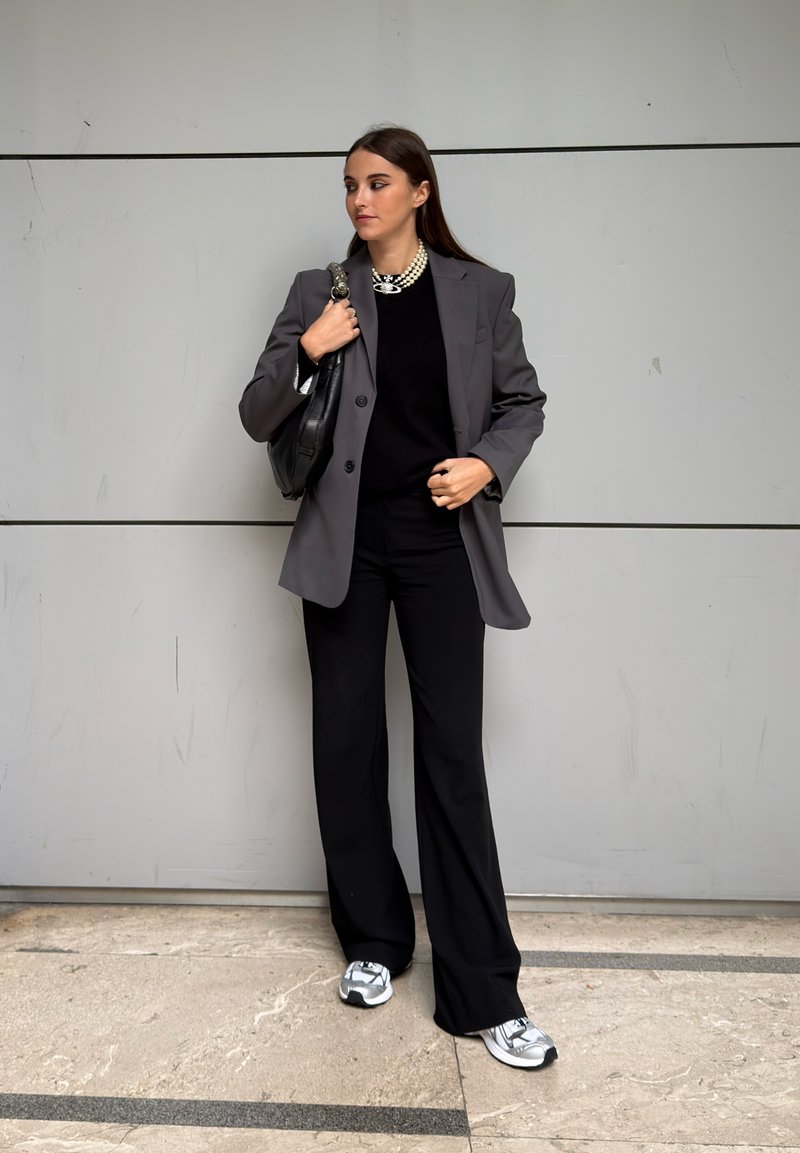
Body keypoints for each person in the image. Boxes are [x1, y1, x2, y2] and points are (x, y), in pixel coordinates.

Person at [239, 126, 556, 1070]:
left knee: (452, 756)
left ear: (421, 190)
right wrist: (308, 346)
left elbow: (524, 401)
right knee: (344, 745)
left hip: (439, 544)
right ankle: (374, 942)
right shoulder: (318, 291)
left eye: (378, 183)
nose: (358, 200)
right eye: (348, 187)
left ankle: (484, 992)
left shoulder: (479, 290)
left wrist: (485, 465)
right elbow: (257, 410)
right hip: (346, 542)